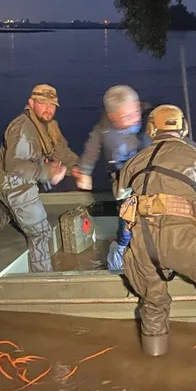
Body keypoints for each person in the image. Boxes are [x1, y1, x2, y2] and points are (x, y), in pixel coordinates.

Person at [116, 104, 196, 362]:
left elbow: (122, 198)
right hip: (185, 244)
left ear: (151, 130)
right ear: (183, 128)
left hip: (144, 246)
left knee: (153, 300)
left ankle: (154, 359)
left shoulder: (134, 161)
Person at [0, 84, 79, 272]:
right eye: (43, 103)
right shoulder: (23, 129)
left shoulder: (48, 124)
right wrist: (47, 172)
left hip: (18, 180)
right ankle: (43, 280)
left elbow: (60, 150)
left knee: (6, 209)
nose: (48, 109)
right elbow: (14, 166)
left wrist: (75, 167)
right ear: (31, 103)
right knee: (40, 233)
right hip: (13, 184)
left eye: (52, 105)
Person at [73, 85, 151, 270]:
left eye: (135, 112)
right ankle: (119, 260)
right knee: (126, 221)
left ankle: (151, 254)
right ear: (113, 116)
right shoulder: (103, 129)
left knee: (151, 216)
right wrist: (84, 171)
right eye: (126, 116)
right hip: (122, 180)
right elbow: (92, 150)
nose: (134, 118)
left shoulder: (150, 120)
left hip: (148, 178)